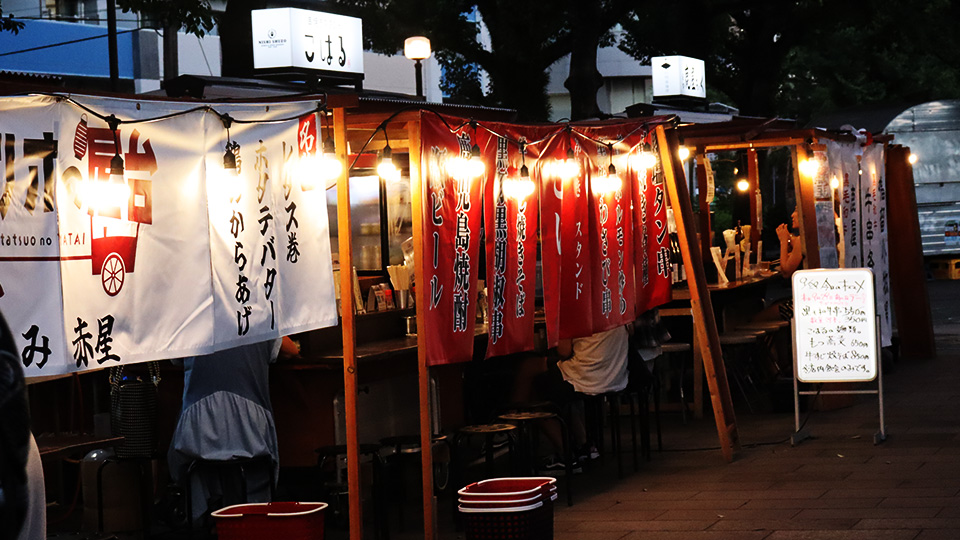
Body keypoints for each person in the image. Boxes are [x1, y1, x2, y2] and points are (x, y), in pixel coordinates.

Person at [168, 336, 299, 523]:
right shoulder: (258, 322)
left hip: (198, 436)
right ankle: (244, 520)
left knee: (198, 464)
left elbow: (174, 356)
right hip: (250, 433)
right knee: (248, 466)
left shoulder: (190, 324)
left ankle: (211, 517)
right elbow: (291, 350)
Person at [535, 324, 631, 469]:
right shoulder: (617, 308)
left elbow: (564, 352)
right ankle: (584, 444)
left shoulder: (571, 310)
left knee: (537, 394)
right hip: (615, 374)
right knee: (560, 392)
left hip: (584, 376)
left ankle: (566, 454)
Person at [777, 207, 804, 279]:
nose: (792, 215)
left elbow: (786, 272)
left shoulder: (801, 240)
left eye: (796, 210)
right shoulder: (809, 237)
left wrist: (783, 241)